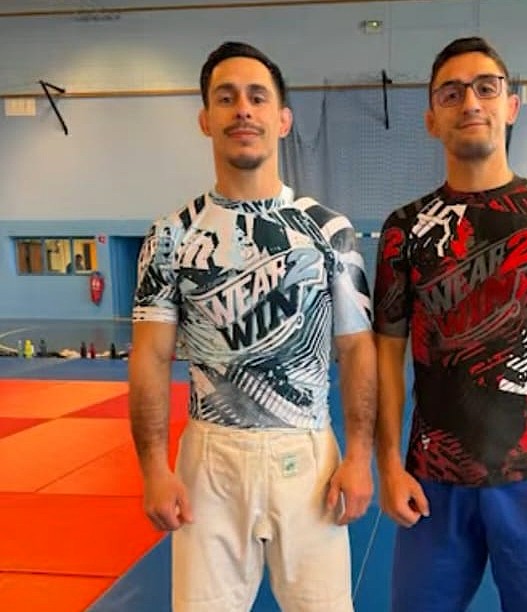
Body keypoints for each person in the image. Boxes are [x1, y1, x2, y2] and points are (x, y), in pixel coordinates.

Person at [128, 41, 377, 612]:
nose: (243, 109)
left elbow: (358, 350)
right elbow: (150, 357)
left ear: (283, 120)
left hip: (308, 454)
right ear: (205, 119)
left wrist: (359, 456)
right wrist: (153, 469)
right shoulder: (170, 236)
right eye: (226, 98)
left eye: (257, 97)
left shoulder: (329, 232)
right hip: (209, 461)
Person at [373, 36, 527, 612]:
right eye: (451, 93)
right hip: (432, 485)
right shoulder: (405, 228)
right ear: (431, 119)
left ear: (511, 105)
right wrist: (387, 465)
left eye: (486, 87)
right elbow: (385, 355)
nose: (471, 102)